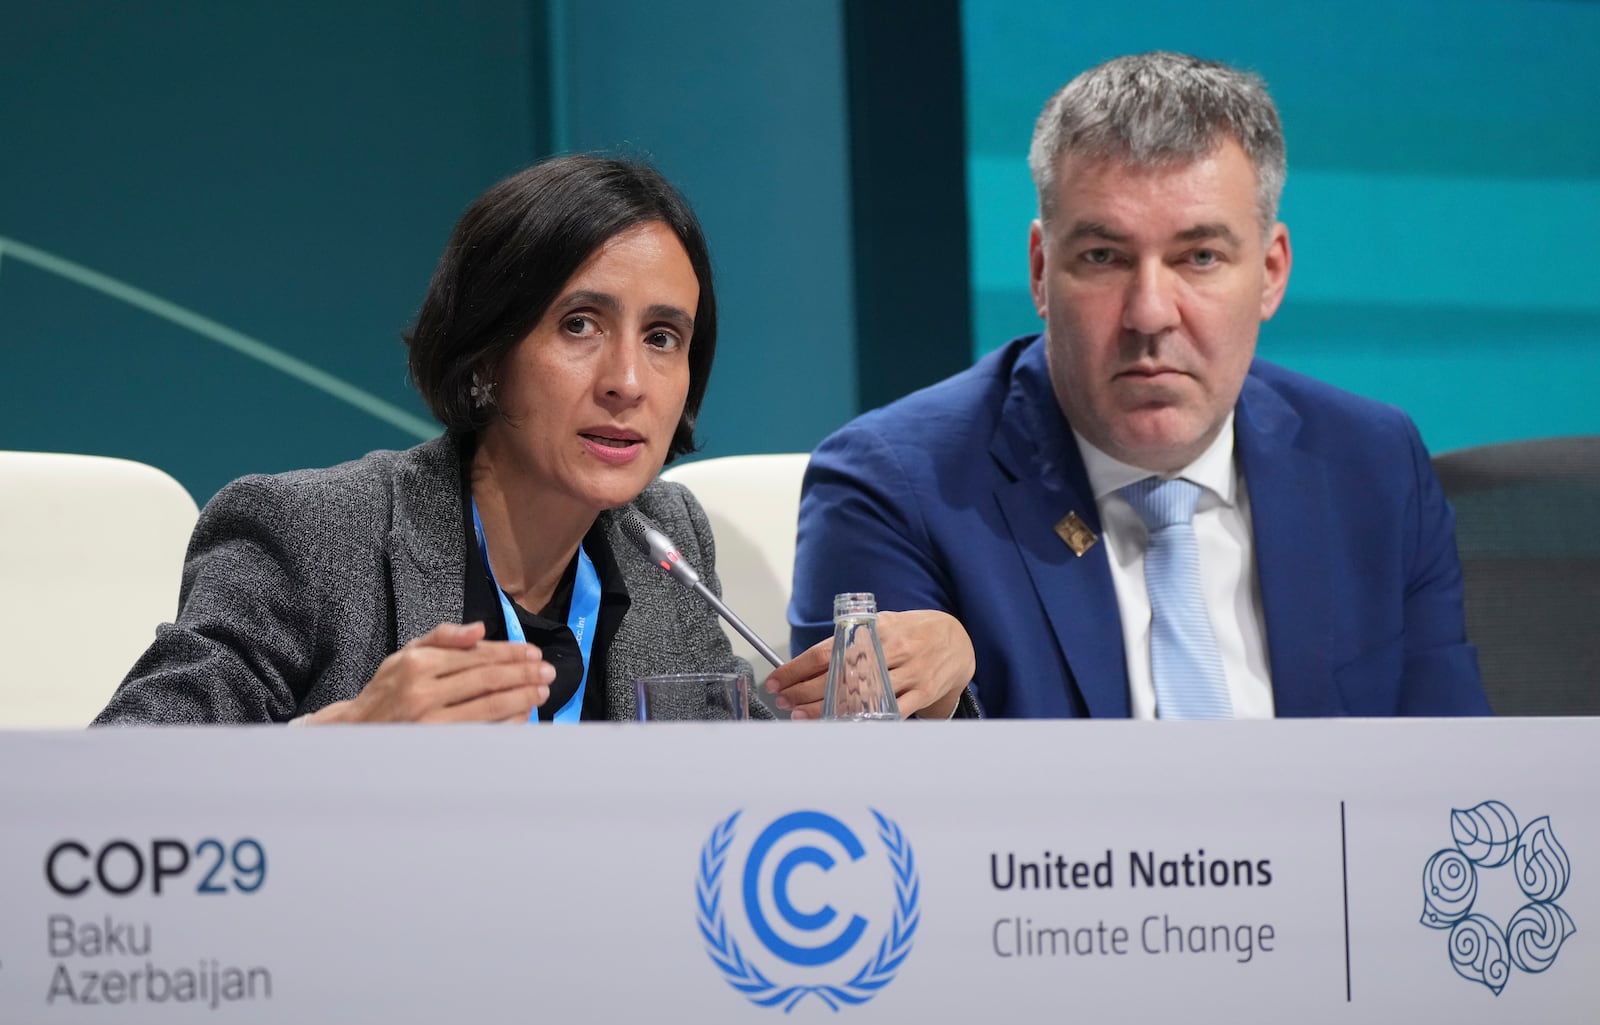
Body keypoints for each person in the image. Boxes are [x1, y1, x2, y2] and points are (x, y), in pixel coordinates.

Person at [97, 155, 969, 726]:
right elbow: (111, 792)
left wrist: (934, 679)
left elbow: (785, 770)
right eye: (581, 324)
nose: (628, 379)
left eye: (664, 337)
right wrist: (345, 745)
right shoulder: (308, 537)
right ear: (487, 360)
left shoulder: (662, 548)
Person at [789, 52, 1492, 720]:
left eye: (1200, 256)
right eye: (1103, 257)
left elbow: (1451, 780)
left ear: (1272, 272)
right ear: (1039, 271)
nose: (1151, 311)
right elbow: (880, 808)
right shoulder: (896, 488)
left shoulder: (1372, 464)